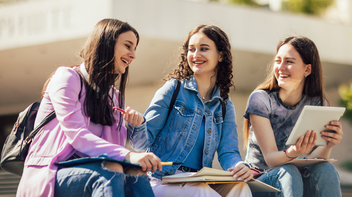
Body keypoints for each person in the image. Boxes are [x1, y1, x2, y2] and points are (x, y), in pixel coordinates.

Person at [16, 19, 162, 197]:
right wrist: (128, 155)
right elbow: (77, 136)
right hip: (50, 172)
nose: (133, 55)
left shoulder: (115, 97)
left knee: (136, 173)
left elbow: (114, 148)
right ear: (106, 44)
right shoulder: (67, 78)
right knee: (111, 171)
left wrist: (136, 127)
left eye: (135, 49)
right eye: (128, 46)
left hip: (92, 170)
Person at [129, 25, 253, 197]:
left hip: (198, 179)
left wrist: (240, 166)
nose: (196, 55)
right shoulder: (173, 89)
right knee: (201, 191)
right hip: (162, 180)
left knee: (241, 188)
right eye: (191, 49)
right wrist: (138, 124)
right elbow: (140, 144)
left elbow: (228, 151)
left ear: (221, 55)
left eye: (204, 49)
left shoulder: (224, 104)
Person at [243, 36, 343, 197]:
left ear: (307, 70)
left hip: (295, 181)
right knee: (288, 171)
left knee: (326, 168)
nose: (280, 67)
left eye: (289, 62)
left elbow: (312, 160)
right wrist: (294, 151)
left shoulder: (318, 102)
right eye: (278, 61)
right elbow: (270, 159)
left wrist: (328, 145)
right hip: (261, 181)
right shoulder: (260, 99)